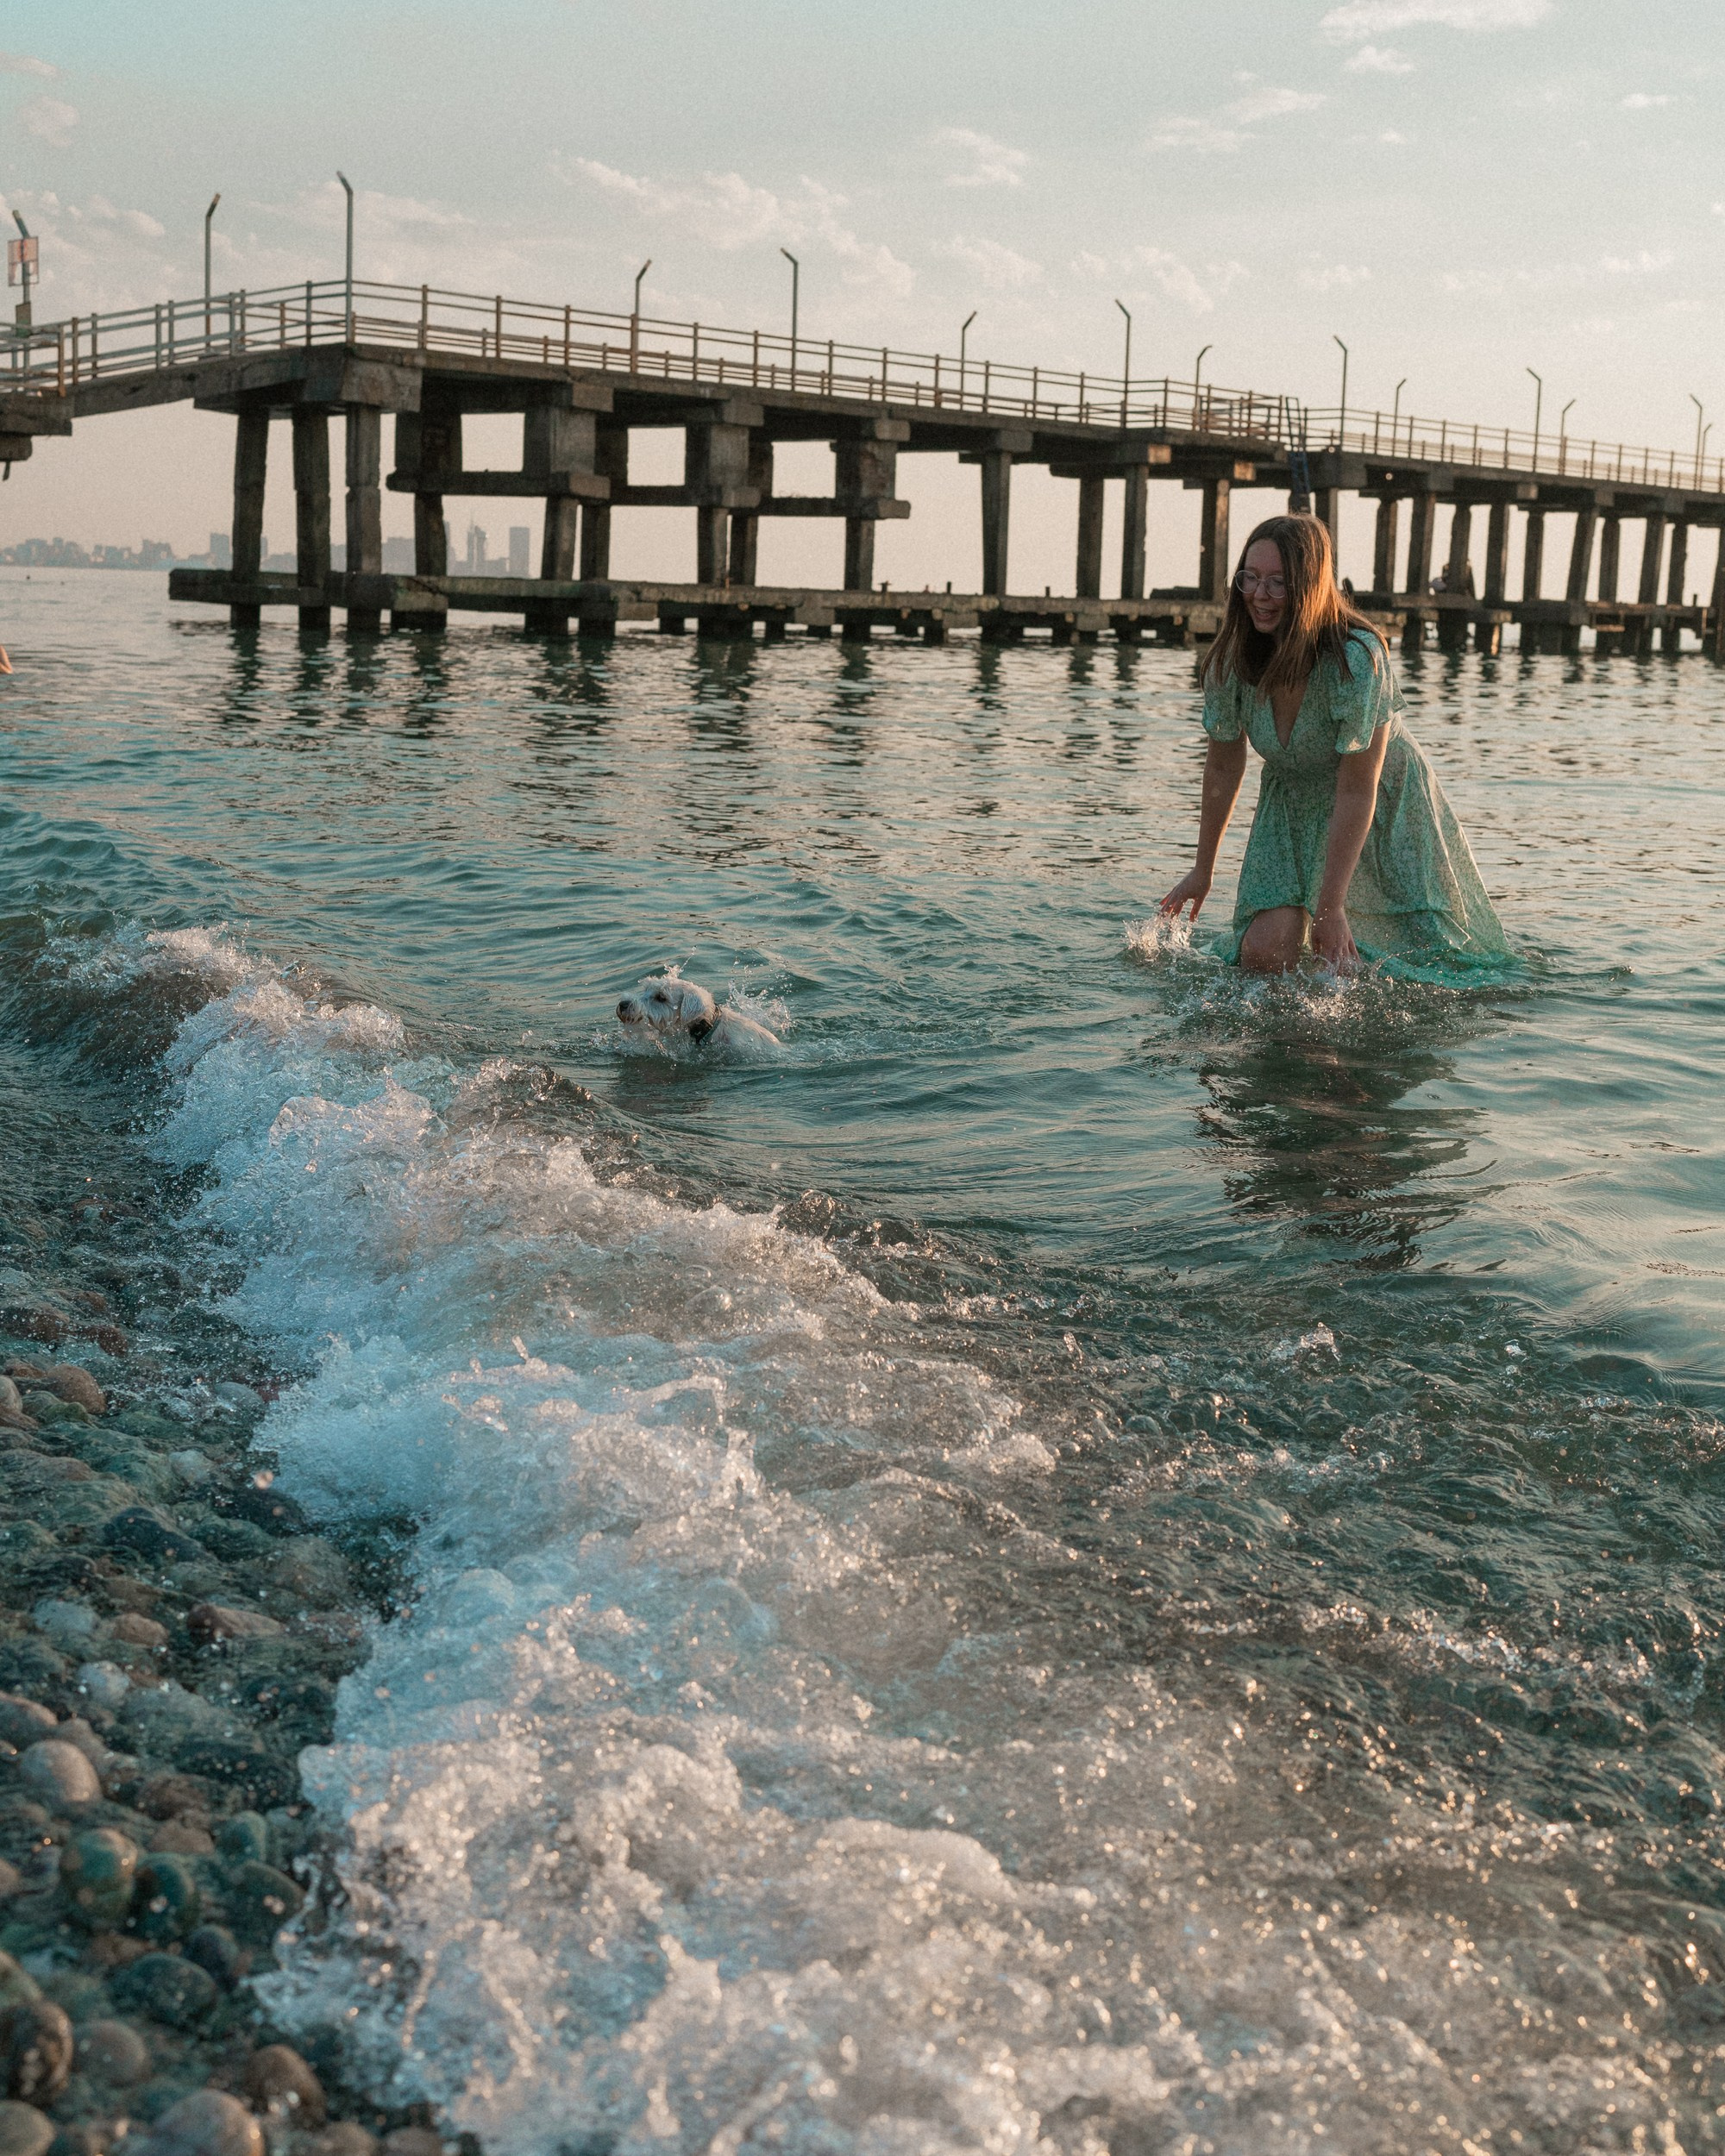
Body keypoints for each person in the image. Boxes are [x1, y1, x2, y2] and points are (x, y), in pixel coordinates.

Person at [1159, 512, 1509, 975]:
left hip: (1375, 804)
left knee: (1388, 966)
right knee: (1264, 954)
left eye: (1278, 583)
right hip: (1291, 802)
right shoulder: (1231, 660)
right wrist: (1202, 870)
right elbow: (1224, 766)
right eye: (1251, 577)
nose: (1260, 596)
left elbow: (1356, 788)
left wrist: (1331, 906)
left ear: (1308, 587)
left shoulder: (1357, 658)